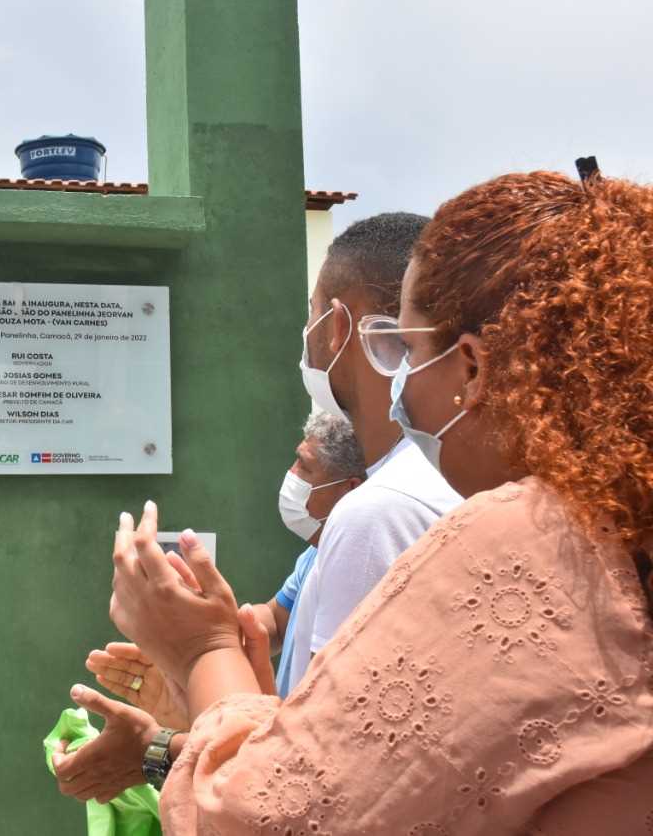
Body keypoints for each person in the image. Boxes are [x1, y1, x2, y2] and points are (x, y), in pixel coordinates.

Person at [105, 170, 653, 832]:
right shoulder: (619, 529)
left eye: (411, 349)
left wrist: (203, 650)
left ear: (473, 366)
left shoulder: (535, 540)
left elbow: (275, 817)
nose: (403, 382)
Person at [81, 410, 365, 740]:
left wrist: (206, 648)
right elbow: (275, 620)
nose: (291, 475)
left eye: (304, 466)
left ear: (350, 488)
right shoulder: (314, 554)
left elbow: (329, 705)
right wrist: (187, 634)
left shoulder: (360, 559)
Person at [285, 212, 462, 687]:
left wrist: (205, 651)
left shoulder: (380, 511)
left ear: (337, 326)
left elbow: (332, 724)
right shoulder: (447, 474)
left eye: (312, 312)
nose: (308, 332)